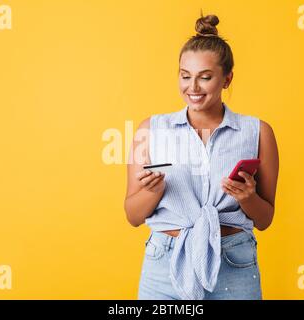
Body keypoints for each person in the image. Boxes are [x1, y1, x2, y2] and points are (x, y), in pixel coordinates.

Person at [124, 12, 279, 300]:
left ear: (227, 79)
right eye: (185, 76)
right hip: (164, 264)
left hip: (234, 263)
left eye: (205, 77)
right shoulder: (151, 129)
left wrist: (247, 198)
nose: (192, 88)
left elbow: (265, 219)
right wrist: (152, 192)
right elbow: (133, 215)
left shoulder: (258, 132)